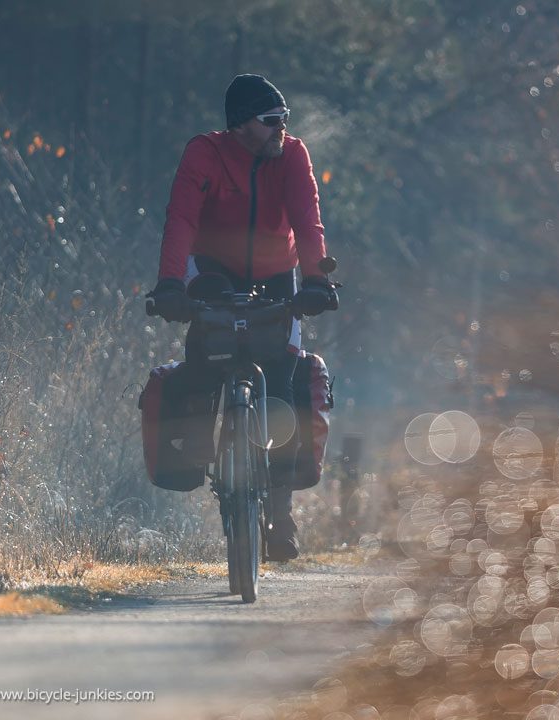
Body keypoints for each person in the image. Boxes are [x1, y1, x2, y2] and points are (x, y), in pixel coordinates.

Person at [147, 74, 338, 561]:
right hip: (210, 270)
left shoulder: (292, 155)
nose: (281, 129)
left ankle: (280, 512)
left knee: (284, 374)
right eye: (271, 121)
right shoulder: (203, 154)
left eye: (285, 120)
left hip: (279, 273)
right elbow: (181, 220)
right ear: (239, 126)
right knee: (204, 359)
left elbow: (307, 218)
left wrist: (316, 280)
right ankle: (199, 453)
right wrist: (171, 283)